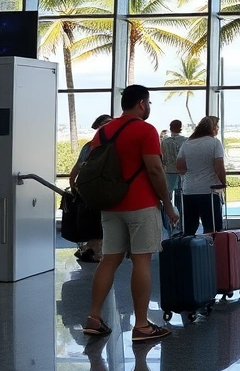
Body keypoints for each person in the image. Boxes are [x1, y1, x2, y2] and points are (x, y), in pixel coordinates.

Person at [83, 85, 178, 342]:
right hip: (141, 204)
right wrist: (167, 204)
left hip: (111, 205)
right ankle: (142, 325)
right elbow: (155, 171)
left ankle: (94, 317)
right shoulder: (145, 130)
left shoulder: (102, 132)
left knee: (109, 260)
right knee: (141, 261)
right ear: (142, 103)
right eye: (148, 103)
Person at [68, 114, 112, 262]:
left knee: (96, 221)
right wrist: (72, 181)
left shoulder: (90, 145)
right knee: (99, 222)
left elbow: (78, 166)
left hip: (89, 190)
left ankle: (90, 248)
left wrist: (73, 182)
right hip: (102, 190)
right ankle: (94, 250)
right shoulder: (110, 145)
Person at [175, 116, 227, 236]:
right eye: (217, 126)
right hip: (209, 190)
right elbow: (219, 167)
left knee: (189, 228)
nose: (218, 129)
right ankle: (212, 253)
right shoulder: (215, 143)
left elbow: (180, 167)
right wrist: (223, 183)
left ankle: (190, 253)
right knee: (212, 228)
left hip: (189, 190)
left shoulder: (186, 143)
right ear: (212, 128)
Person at [161, 120, 186, 232]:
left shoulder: (165, 141)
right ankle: (181, 223)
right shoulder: (185, 141)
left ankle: (170, 222)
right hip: (181, 173)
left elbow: (163, 159)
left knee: (168, 198)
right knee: (180, 198)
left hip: (168, 172)